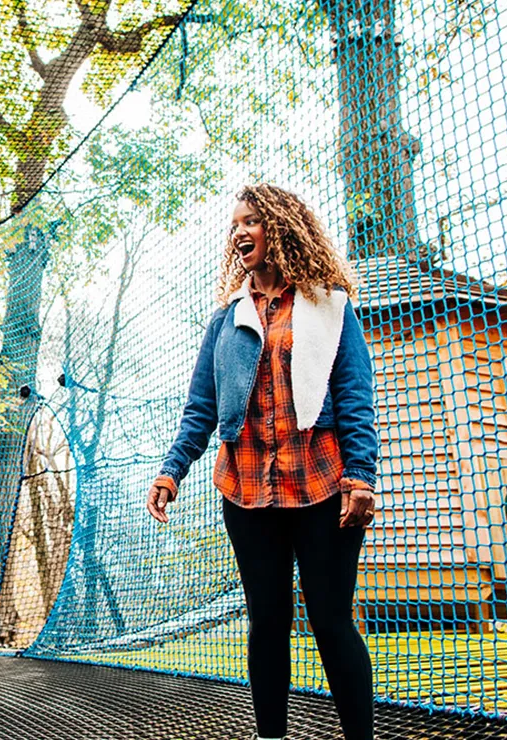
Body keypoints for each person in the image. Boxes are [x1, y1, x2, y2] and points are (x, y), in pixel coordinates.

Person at [146, 184, 378, 739]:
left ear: (281, 226)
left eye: (251, 221)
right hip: (247, 491)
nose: (239, 233)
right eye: (235, 225)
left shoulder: (329, 306)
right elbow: (201, 406)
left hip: (321, 487)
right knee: (267, 623)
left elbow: (354, 395)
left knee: (329, 620)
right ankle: (269, 736)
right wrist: (172, 469)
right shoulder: (227, 320)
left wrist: (361, 477)